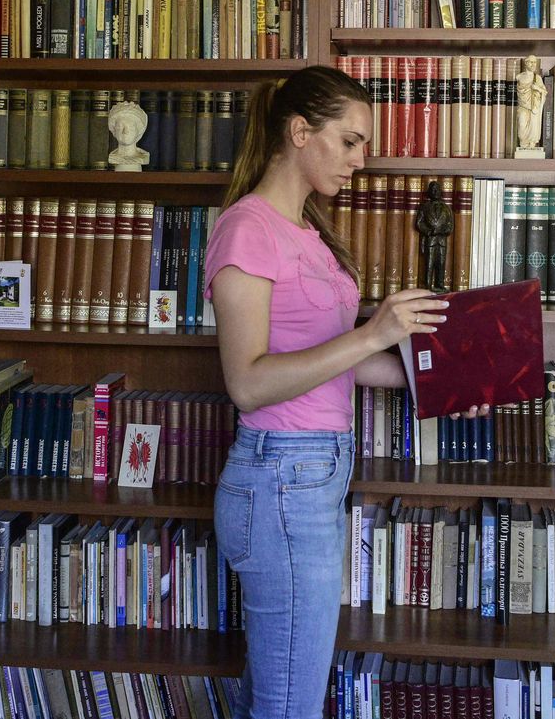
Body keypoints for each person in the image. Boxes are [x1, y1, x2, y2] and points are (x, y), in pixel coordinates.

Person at [203, 65, 486, 719]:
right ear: (300, 132)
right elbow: (247, 382)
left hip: (312, 478)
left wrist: (442, 382)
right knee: (289, 704)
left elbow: (331, 365)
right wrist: (373, 333)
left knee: (283, 695)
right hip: (279, 481)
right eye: (351, 141)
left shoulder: (308, 232)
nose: (362, 160)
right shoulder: (247, 228)